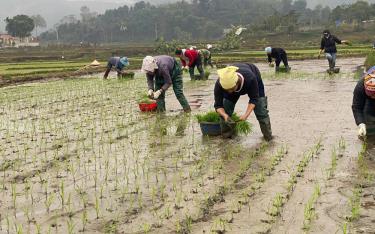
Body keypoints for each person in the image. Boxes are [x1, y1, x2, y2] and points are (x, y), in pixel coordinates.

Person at [214, 63, 272, 141]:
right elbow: (218, 105)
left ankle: (268, 137)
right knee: (226, 109)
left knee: (261, 110)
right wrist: (224, 115)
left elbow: (254, 99)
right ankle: (226, 137)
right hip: (233, 85)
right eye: (227, 90)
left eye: (231, 89)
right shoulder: (220, 84)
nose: (229, 91)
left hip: (253, 76)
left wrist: (246, 115)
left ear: (237, 82)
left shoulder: (250, 78)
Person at [352, 66, 375, 139]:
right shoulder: (360, 87)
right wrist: (361, 124)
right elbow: (357, 107)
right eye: (371, 95)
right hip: (369, 102)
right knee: (369, 118)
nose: (373, 97)